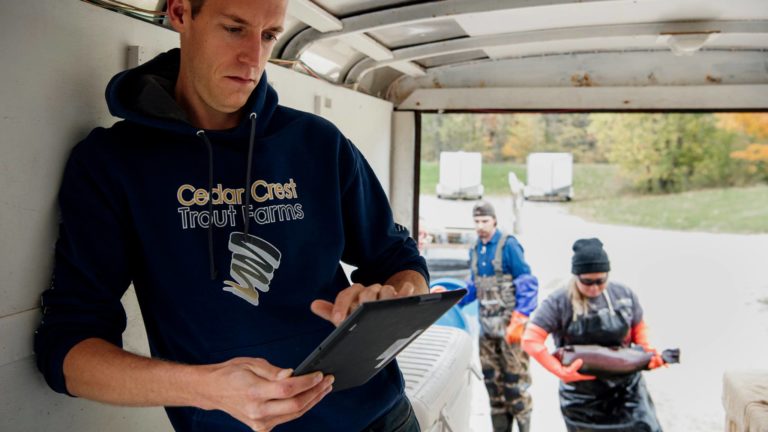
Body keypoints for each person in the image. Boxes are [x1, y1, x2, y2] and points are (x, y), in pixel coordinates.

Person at [33, 1, 429, 431]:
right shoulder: (114, 163)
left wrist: (387, 301)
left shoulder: (318, 143)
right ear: (180, 13)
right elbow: (67, 349)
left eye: (269, 35)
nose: (253, 58)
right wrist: (205, 388)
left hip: (380, 417)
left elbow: (400, 261)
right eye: (234, 29)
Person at [521, 238, 665, 432]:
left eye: (600, 281)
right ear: (576, 276)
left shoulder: (624, 295)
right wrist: (560, 371)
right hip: (583, 400)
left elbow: (639, 329)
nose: (594, 288)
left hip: (627, 393)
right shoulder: (558, 302)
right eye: (587, 282)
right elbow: (530, 341)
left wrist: (648, 353)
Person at [467, 201, 539, 432]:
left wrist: (520, 318)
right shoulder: (475, 249)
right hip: (487, 332)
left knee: (515, 385)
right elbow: (473, 287)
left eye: (484, 221)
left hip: (511, 330)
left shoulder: (509, 245)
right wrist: (450, 295)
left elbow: (527, 283)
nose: (480, 226)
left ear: (494, 220)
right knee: (492, 386)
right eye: (477, 221)